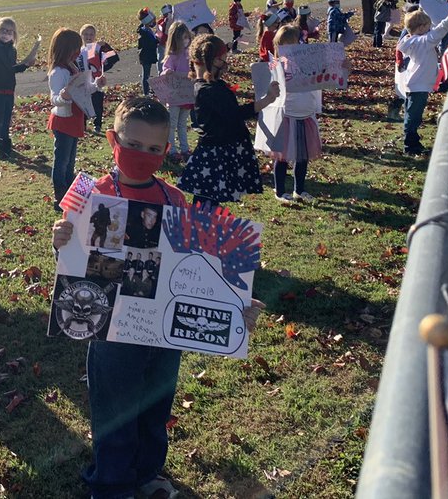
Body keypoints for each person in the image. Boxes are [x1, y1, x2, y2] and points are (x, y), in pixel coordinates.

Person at [52, 96, 264, 499]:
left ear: (166, 150)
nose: (142, 155)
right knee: (115, 410)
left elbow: (200, 269)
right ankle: (111, 483)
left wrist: (237, 305)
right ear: (113, 139)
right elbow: (69, 256)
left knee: (154, 406)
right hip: (112, 329)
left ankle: (147, 472)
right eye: (132, 144)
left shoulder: (176, 200)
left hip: (164, 331)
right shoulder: (87, 192)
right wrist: (60, 239)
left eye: (153, 149)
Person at [178, 34, 279, 206]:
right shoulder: (208, 90)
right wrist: (267, 100)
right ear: (209, 59)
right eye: (221, 60)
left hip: (218, 152)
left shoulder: (208, 86)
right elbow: (235, 114)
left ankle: (205, 228)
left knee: (209, 197)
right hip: (216, 154)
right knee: (207, 199)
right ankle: (202, 230)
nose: (225, 64)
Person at [257, 25, 325, 204]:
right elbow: (269, 87)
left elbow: (322, 77)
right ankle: (280, 191)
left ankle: (299, 190)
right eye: (287, 45)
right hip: (287, 116)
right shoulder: (276, 65)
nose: (292, 49)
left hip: (305, 114)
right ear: (279, 46)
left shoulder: (307, 63)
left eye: (296, 44)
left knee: (302, 156)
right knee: (283, 156)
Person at [48, 28, 104, 209]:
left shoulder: (73, 66)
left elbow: (83, 90)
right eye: (75, 49)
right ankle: (60, 195)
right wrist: (63, 96)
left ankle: (69, 191)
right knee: (62, 160)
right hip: (64, 119)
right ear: (66, 49)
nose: (78, 52)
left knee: (70, 159)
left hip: (75, 118)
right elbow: (54, 99)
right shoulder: (59, 72)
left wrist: (96, 85)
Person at [396, 6, 448, 155]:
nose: (430, 29)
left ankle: (412, 140)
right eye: (428, 26)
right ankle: (410, 145)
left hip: (415, 82)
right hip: (419, 84)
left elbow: (432, 34)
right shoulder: (423, 42)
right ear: (421, 27)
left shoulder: (411, 41)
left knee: (412, 114)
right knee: (413, 117)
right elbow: (438, 33)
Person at [0, 16, 40, 159]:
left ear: (14, 34)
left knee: (6, 118)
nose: (6, 34)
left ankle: (5, 142)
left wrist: (25, 65)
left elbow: (12, 69)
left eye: (10, 31)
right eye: (3, 30)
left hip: (9, 88)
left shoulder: (12, 50)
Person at [159, 21, 194, 161]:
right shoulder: (172, 56)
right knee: (172, 123)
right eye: (182, 38)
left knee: (182, 124)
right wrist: (167, 72)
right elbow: (165, 71)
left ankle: (185, 148)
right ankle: (171, 150)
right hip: (174, 96)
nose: (185, 41)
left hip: (187, 94)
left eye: (187, 37)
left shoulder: (190, 54)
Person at [78, 24, 119, 135]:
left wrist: (105, 46)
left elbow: (114, 57)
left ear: (95, 36)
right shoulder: (79, 50)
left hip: (97, 83)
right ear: (81, 35)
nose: (88, 37)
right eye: (86, 34)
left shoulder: (96, 48)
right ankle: (83, 126)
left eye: (91, 34)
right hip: (84, 83)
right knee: (83, 105)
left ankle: (97, 125)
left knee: (97, 105)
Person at [136, 8, 159, 96]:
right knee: (146, 75)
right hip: (145, 56)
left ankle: (147, 90)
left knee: (147, 74)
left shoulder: (146, 29)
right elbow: (149, 43)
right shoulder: (144, 32)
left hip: (147, 55)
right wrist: (157, 41)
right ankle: (146, 92)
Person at [154, 4, 173, 72]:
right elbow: (162, 33)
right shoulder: (161, 22)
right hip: (163, 44)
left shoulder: (174, 21)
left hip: (171, 44)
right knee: (162, 61)